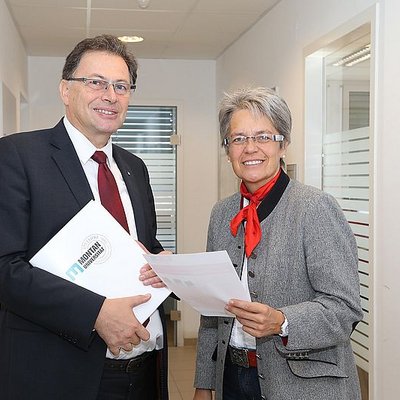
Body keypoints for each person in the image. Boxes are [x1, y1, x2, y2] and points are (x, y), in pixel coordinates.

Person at [0, 34, 170, 400]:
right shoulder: (17, 156)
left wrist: (165, 265)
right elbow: (5, 269)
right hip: (62, 373)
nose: (110, 95)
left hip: (144, 369)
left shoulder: (135, 168)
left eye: (121, 86)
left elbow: (146, 247)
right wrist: (95, 313)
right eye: (95, 82)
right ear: (65, 90)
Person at [193, 87, 363, 400]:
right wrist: (204, 383)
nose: (250, 148)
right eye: (239, 138)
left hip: (303, 386)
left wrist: (282, 321)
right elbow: (212, 310)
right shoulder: (222, 214)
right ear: (227, 148)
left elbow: (345, 308)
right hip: (232, 378)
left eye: (263, 136)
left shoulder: (315, 208)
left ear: (283, 144)